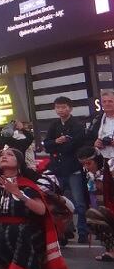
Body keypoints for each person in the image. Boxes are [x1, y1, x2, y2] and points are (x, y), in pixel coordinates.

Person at [0, 149, 99, 269]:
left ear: (19, 163)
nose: (4, 157)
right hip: (0, 229)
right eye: (1, 155)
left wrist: (19, 194)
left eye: (10, 155)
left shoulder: (27, 183)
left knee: (18, 231)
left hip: (27, 230)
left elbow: (41, 210)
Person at [42, 96, 88, 244]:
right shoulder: (54, 125)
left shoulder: (77, 125)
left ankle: (82, 232)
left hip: (74, 169)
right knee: (60, 203)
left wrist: (57, 145)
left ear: (70, 108)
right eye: (58, 107)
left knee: (79, 203)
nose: (60, 110)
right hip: (58, 170)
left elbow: (74, 145)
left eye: (63, 107)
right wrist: (56, 141)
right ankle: (64, 232)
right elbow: (46, 144)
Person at [78, 146, 114, 262]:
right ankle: (110, 250)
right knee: (93, 215)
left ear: (96, 160)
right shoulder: (90, 175)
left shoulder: (110, 167)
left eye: (88, 163)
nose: (86, 167)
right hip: (106, 207)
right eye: (83, 164)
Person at [85, 89, 114, 165]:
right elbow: (87, 139)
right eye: (104, 102)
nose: (107, 104)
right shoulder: (97, 119)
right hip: (102, 160)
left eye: (110, 101)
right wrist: (95, 143)